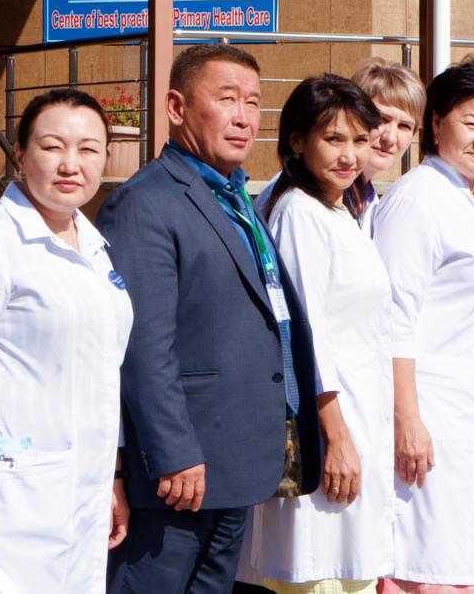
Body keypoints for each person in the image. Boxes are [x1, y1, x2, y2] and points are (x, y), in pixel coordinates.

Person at [99, 44, 322, 593]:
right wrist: (173, 452)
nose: (244, 117)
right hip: (180, 472)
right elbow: (145, 346)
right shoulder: (146, 201)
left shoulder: (234, 194)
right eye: (226, 99)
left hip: (236, 457)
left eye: (253, 102)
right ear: (176, 108)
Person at [0, 89, 132, 592]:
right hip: (7, 493)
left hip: (81, 488)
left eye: (88, 149)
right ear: (20, 155)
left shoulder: (95, 247)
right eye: (52, 146)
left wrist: (111, 476)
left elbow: (104, 374)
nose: (71, 164)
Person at [372, 57, 474, 594]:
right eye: (473, 123)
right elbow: (394, 319)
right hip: (436, 427)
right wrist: (407, 420)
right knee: (431, 573)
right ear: (437, 122)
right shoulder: (417, 200)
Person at [236, 74, 391, 593]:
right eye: (334, 139)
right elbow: (306, 341)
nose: (350, 155)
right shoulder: (298, 214)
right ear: (298, 141)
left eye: (360, 139)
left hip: (358, 422)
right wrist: (336, 440)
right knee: (319, 576)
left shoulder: (340, 209)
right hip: (328, 432)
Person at [349, 57, 425, 220]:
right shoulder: (315, 201)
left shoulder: (369, 202)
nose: (390, 138)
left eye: (404, 126)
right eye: (381, 119)